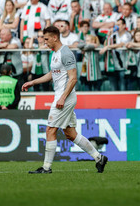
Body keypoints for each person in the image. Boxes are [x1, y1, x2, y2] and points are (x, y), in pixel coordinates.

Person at [22, 26, 108, 174]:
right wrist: (33, 82)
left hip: (65, 97)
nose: (45, 42)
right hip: (62, 96)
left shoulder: (66, 53)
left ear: (55, 37)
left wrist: (62, 97)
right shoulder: (55, 54)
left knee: (50, 129)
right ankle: (99, 157)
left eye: (47, 39)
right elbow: (52, 74)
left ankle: (46, 168)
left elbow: (73, 78)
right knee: (70, 134)